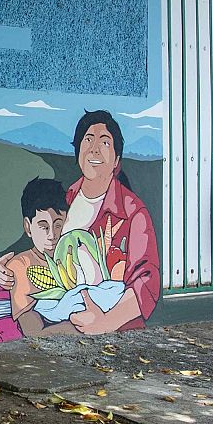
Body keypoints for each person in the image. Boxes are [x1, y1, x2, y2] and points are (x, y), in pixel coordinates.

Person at [51, 110, 159, 334]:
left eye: (105, 142)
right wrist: (11, 271)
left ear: (116, 160)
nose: (94, 149)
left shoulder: (132, 212)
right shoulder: (64, 198)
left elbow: (146, 281)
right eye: (88, 139)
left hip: (114, 334)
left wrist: (106, 322)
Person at [0, 178, 74, 333]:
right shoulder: (21, 266)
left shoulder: (74, 258)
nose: (52, 235)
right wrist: (72, 328)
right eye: (43, 226)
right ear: (28, 227)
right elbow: (33, 331)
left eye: (58, 225)